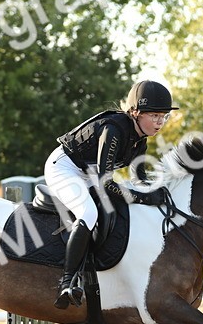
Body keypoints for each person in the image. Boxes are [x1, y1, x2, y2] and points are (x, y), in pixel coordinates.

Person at [44, 80, 176, 309]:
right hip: (64, 168)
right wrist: (145, 198)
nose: (160, 122)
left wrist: (159, 191)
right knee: (88, 212)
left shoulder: (139, 140)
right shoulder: (113, 130)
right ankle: (67, 281)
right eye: (154, 115)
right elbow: (106, 183)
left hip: (88, 173)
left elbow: (139, 180)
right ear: (135, 112)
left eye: (163, 116)